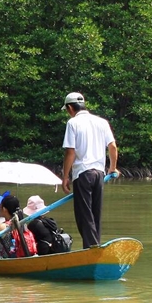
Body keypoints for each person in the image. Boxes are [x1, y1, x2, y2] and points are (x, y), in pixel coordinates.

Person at [61, 92, 119, 248]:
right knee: (95, 214)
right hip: (99, 174)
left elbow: (70, 152)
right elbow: (112, 147)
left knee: (84, 215)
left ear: (70, 108)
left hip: (83, 174)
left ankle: (92, 248)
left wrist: (65, 177)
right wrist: (112, 168)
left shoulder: (73, 123)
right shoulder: (102, 122)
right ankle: (95, 245)